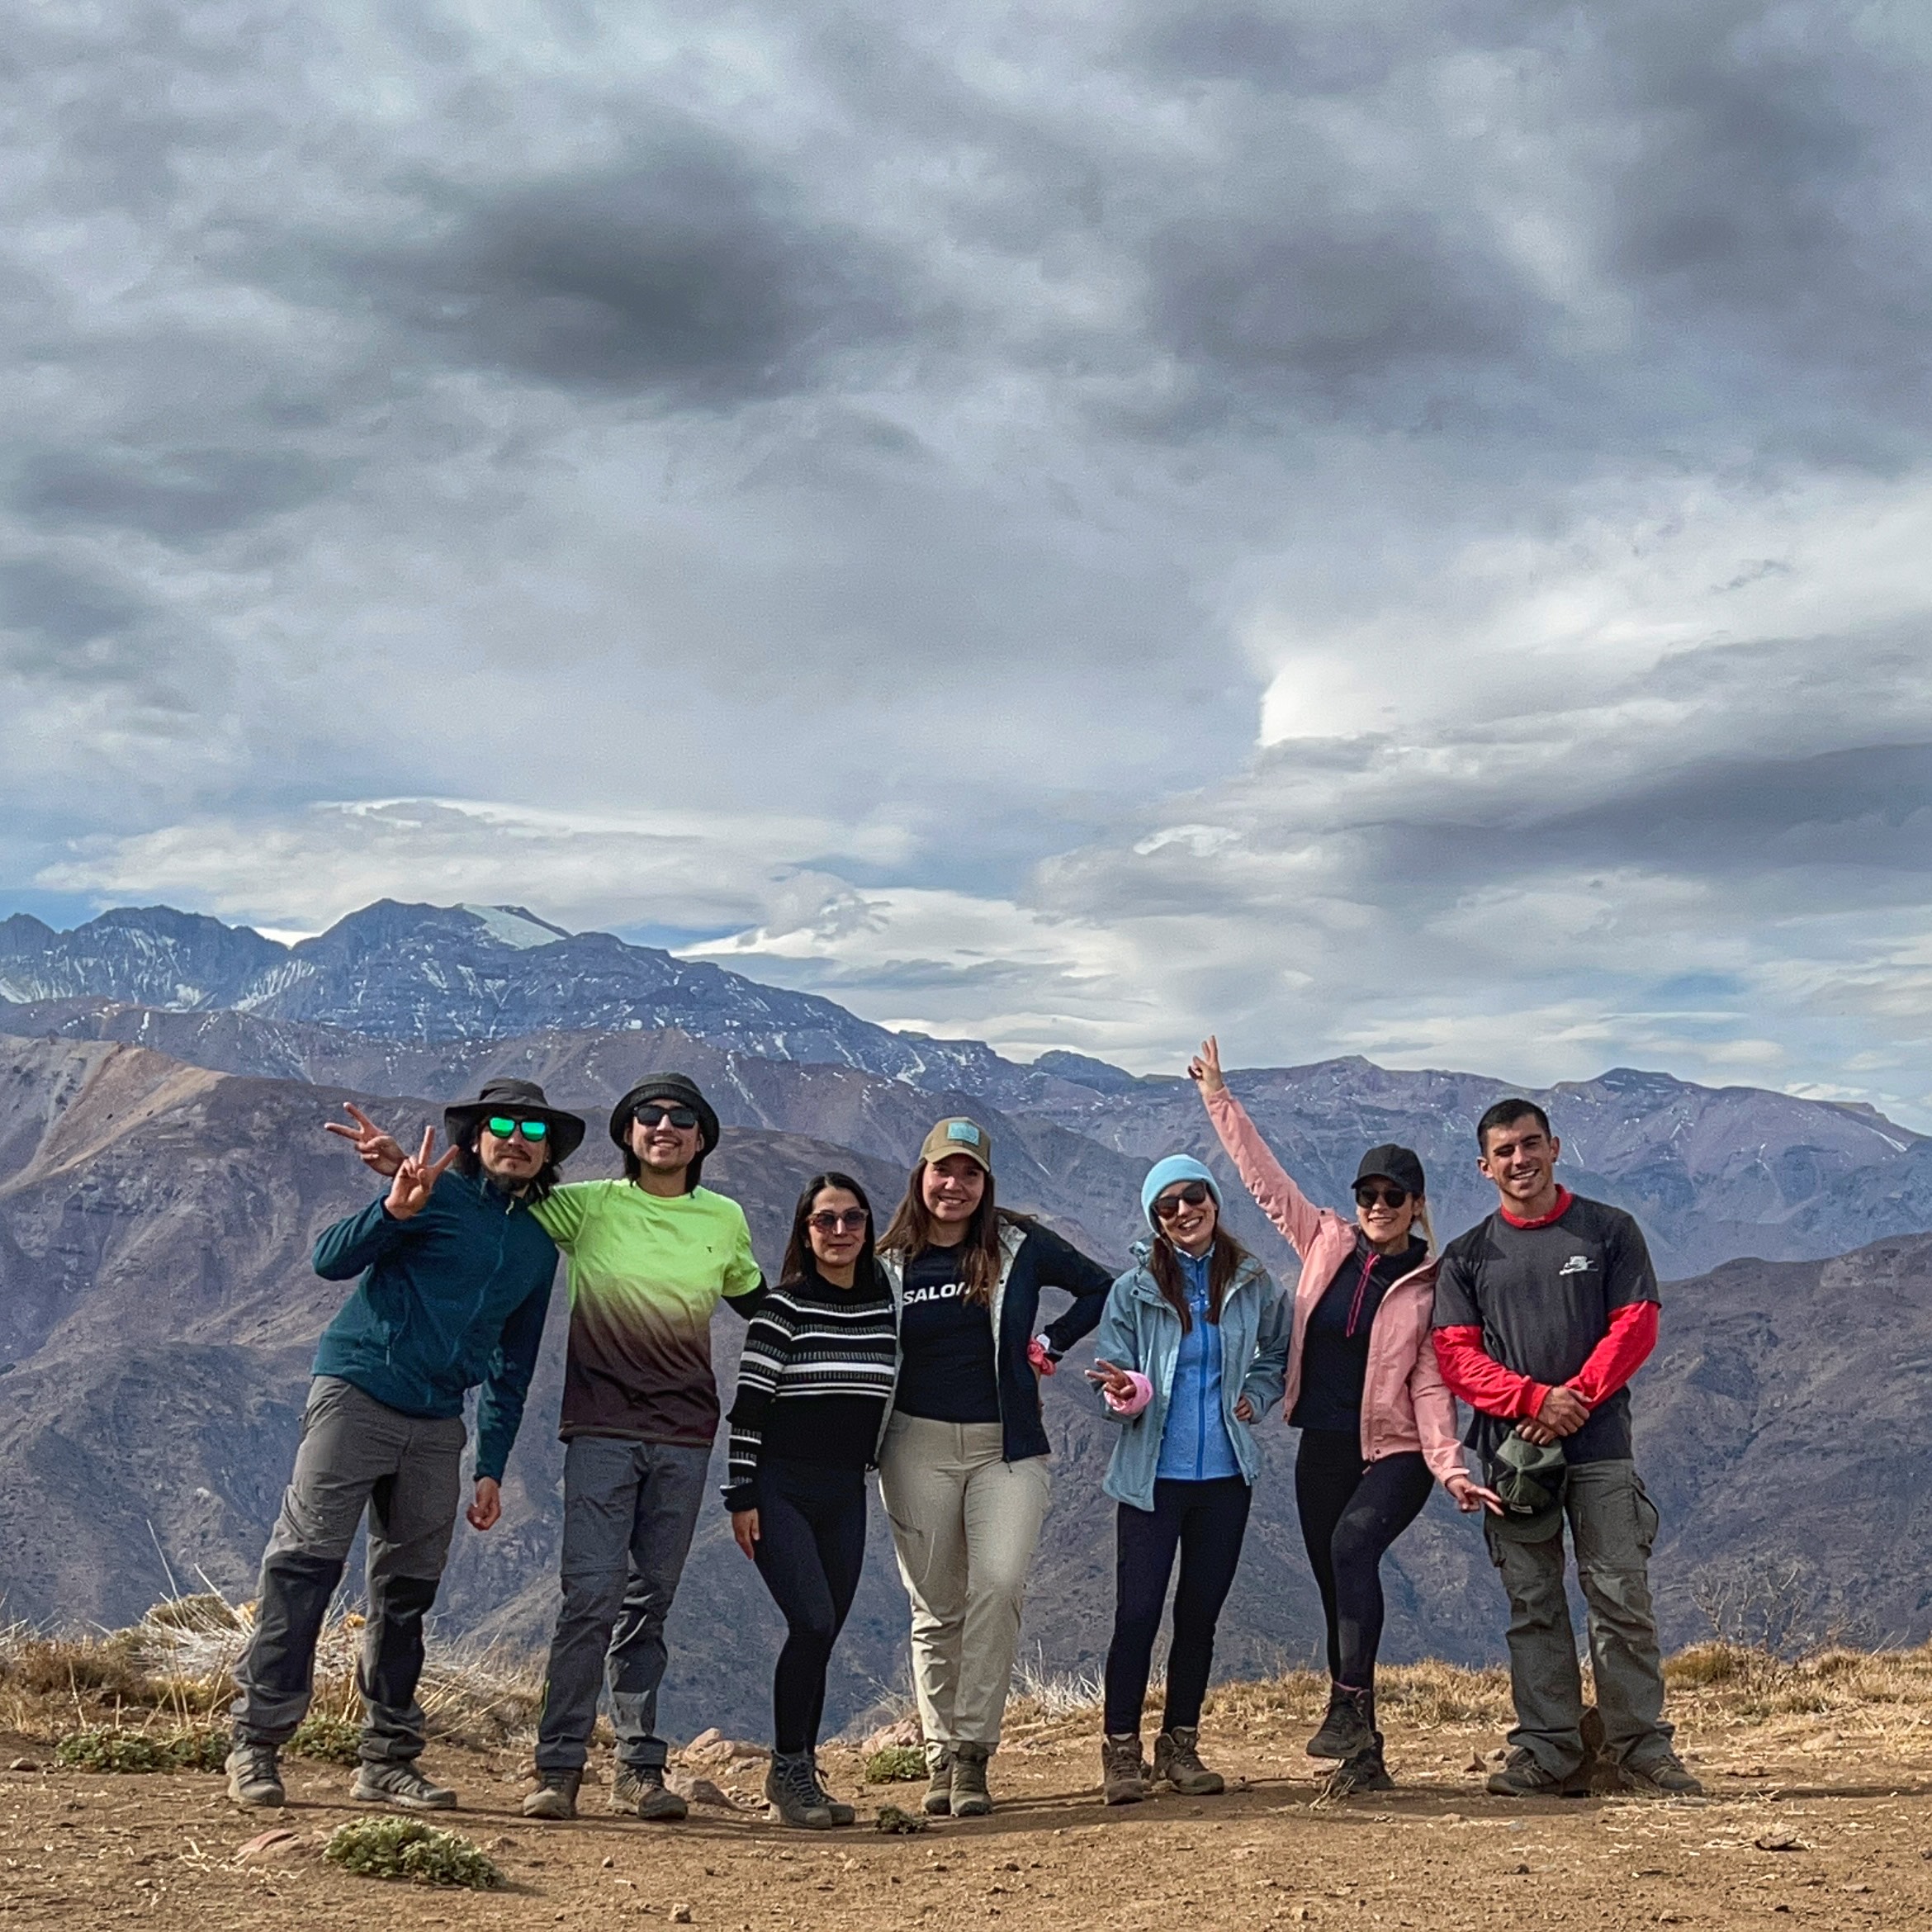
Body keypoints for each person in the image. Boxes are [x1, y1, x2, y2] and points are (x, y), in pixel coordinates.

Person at [226, 1078, 580, 1811]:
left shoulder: (537, 1246)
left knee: (407, 1592)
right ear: (475, 1138)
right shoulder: (431, 1194)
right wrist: (392, 1210)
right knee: (304, 1567)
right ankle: (255, 1743)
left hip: (438, 1420)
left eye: (533, 1131)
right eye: (503, 1126)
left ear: (549, 1152)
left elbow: (513, 1365)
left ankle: (386, 1760)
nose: (517, 1140)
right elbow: (329, 1260)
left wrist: (491, 1465)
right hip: (358, 1392)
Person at [1190, 1037, 1499, 1792]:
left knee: (1354, 1546)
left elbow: (1432, 1386)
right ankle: (1365, 1756)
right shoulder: (1325, 1243)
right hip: (1322, 1446)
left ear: (1417, 1205)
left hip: (1396, 1453)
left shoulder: (1431, 1283)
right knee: (1338, 1587)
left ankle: (1347, 1709)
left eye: (1394, 1196)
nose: (1379, 1208)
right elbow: (1265, 1183)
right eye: (1369, 1195)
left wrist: (1449, 1466)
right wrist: (1219, 1101)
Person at [1432, 1097, 1701, 1798]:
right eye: (1504, 1152)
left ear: (1554, 1147)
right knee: (1534, 1604)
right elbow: (1455, 1356)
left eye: (1530, 1145)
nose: (1520, 1160)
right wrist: (1533, 1401)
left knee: (1620, 1596)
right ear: (1484, 1167)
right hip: (1513, 1460)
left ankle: (1639, 1748)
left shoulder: (1608, 1230)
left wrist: (1571, 1400)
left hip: (1601, 1447)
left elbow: (1636, 1325)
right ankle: (1549, 1749)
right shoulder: (1466, 1256)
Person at [519, 1073, 767, 1822]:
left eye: (681, 1116)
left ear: (701, 1138)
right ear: (628, 1133)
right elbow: (500, 1201)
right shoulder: (586, 1206)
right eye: (648, 1115)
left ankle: (637, 1770)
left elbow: (761, 1305)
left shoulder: (723, 1218)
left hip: (685, 1436)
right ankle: (558, 1768)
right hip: (600, 1430)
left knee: (649, 1604)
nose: (664, 1126)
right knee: (589, 1600)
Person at [874, 1116, 1114, 1817]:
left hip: (1006, 1446)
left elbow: (1098, 1286)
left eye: (969, 1173)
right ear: (921, 1176)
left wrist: (1051, 1344)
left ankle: (974, 1753)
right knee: (935, 1608)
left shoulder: (1019, 1244)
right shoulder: (889, 1261)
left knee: (1000, 1585)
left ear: (986, 1183)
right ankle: (940, 1758)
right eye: (943, 1171)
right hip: (913, 1446)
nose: (954, 1185)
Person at [1087, 1156, 1290, 1806]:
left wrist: (1257, 1397)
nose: (1183, 1211)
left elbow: (1277, 1351)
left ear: (1214, 1199)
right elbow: (1116, 1375)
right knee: (1137, 1614)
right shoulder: (1134, 1290)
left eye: (1193, 1195)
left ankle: (1180, 1746)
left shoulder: (1251, 1282)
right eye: (1166, 1206)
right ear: (1155, 1220)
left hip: (1226, 1476)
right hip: (1152, 1478)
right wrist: (1126, 1392)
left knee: (1199, 1616)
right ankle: (1122, 1750)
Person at [724, 1173, 896, 1829]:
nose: (841, 1231)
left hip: (845, 1491)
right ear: (805, 1230)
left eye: (853, 1218)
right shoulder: (783, 1309)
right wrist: (741, 1496)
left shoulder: (883, 1308)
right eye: (826, 1220)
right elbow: (749, 1408)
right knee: (813, 1623)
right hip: (781, 1488)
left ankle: (803, 1771)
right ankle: (787, 1769)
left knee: (825, 1634)